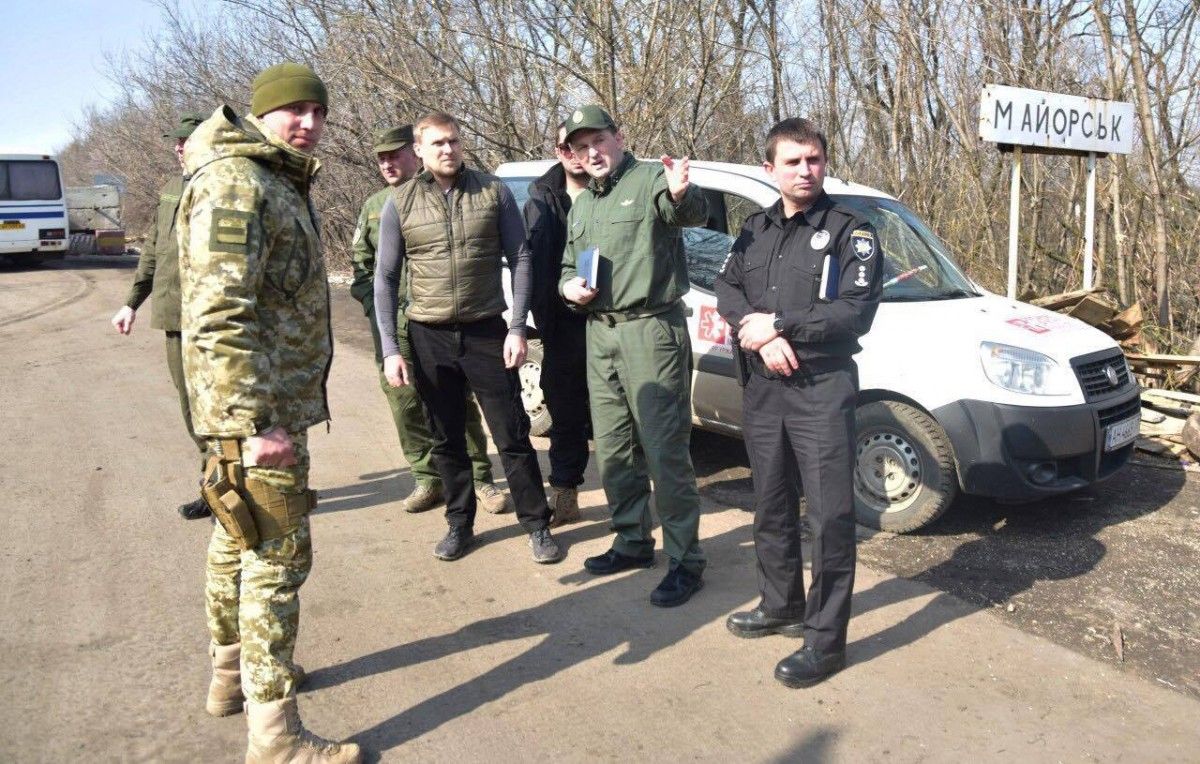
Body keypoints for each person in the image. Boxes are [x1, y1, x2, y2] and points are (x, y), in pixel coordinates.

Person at [178, 63, 360, 762]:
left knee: (236, 540)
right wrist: (257, 426)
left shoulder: (272, 177)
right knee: (277, 561)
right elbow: (219, 313)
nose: (309, 124)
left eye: (318, 111)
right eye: (294, 111)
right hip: (258, 415)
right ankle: (277, 735)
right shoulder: (238, 180)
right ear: (261, 113)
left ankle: (233, 678)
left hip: (250, 409)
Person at [714, 117, 882, 688]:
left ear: (824, 163)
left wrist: (780, 325)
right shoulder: (754, 229)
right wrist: (760, 333)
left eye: (814, 160)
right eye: (793, 161)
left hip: (820, 389)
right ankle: (780, 604)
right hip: (763, 385)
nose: (805, 171)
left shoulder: (850, 231)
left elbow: (854, 312)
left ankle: (825, 642)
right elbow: (728, 288)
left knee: (830, 517)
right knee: (771, 502)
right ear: (771, 169)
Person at [373, 112, 561, 564]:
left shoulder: (492, 192)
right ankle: (460, 524)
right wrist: (391, 349)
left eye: (454, 141)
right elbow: (385, 277)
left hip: (486, 332)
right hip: (428, 335)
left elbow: (521, 258)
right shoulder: (400, 202)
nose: (448, 149)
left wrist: (517, 327)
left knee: (512, 434)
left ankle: (536, 525)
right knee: (447, 437)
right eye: (438, 143)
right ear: (419, 149)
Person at [558, 104, 709, 607]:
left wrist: (683, 192)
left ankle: (685, 560)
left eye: (599, 141)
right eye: (581, 147)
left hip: (651, 330)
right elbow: (568, 266)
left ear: (618, 138)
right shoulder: (582, 204)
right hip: (599, 332)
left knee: (664, 450)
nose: (592, 153)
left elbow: (687, 212)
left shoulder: (650, 180)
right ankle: (631, 540)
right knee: (614, 448)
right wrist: (568, 288)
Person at [350, 124, 512, 515]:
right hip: (398, 322)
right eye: (381, 159)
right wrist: (378, 313)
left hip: (440, 319)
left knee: (460, 401)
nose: (387, 164)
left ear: (415, 153)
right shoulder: (375, 206)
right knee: (405, 401)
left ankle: (480, 477)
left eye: (395, 155)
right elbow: (363, 269)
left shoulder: (455, 193)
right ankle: (427, 476)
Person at [110, 112, 211, 521]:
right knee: (190, 407)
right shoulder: (171, 189)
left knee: (218, 407)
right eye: (177, 141)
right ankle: (214, 486)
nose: (179, 147)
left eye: (186, 140)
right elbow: (153, 249)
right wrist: (131, 303)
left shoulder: (221, 185)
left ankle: (234, 490)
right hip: (174, 318)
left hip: (213, 320)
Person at [521, 120, 592, 526]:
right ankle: (565, 493)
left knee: (621, 417)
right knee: (565, 415)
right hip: (562, 326)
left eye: (583, 145)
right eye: (568, 146)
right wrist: (545, 319)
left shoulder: (614, 192)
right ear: (559, 151)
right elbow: (529, 266)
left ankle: (630, 504)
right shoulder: (540, 200)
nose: (576, 154)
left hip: (610, 322)